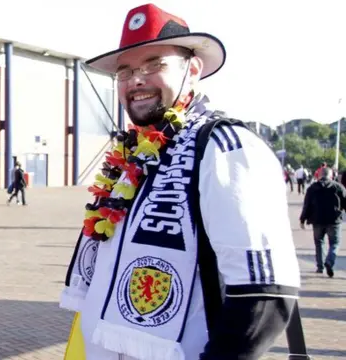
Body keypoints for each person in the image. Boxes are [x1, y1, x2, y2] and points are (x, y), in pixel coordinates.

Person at [60, 4, 300, 360]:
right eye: (124, 72)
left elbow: (265, 294)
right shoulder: (133, 156)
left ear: (193, 70)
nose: (136, 80)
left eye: (154, 64)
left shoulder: (224, 148)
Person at [300, 166, 346, 278]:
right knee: (334, 243)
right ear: (331, 176)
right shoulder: (339, 187)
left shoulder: (312, 188)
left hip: (317, 220)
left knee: (319, 242)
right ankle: (329, 262)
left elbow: (307, 206)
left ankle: (320, 267)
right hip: (334, 220)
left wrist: (303, 219)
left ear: (319, 175)